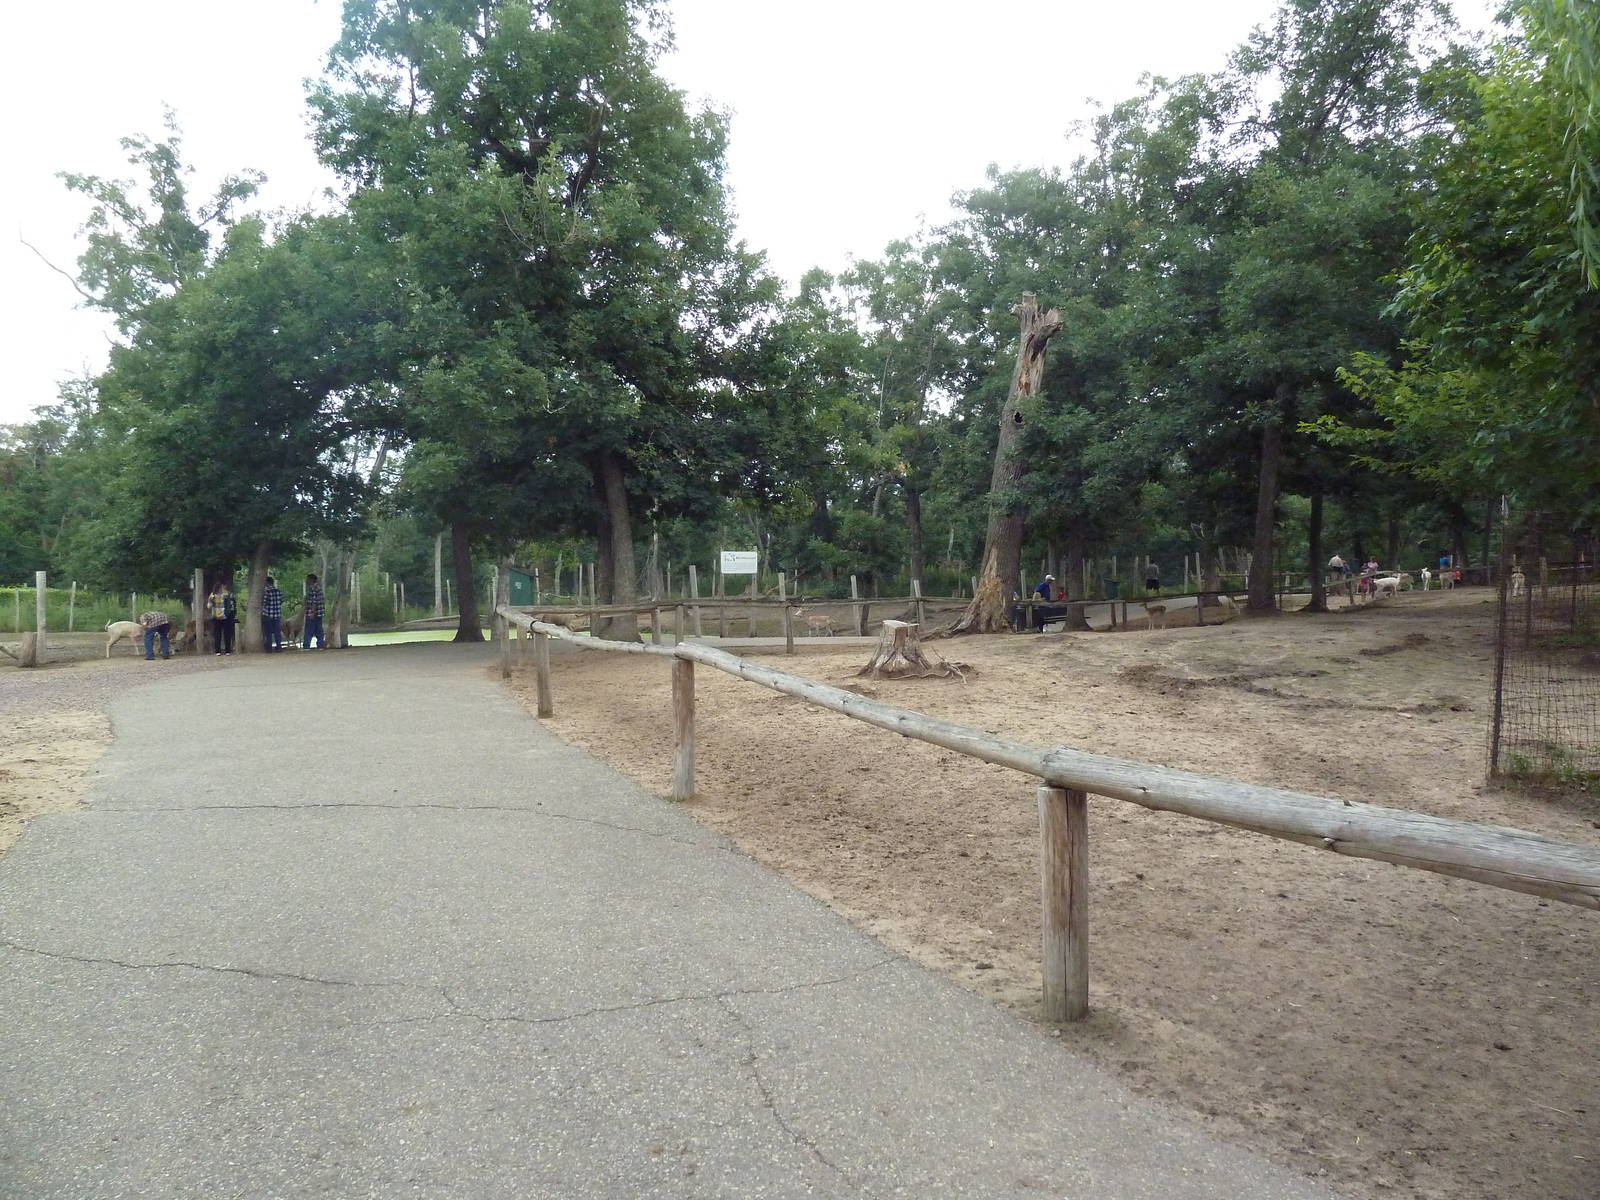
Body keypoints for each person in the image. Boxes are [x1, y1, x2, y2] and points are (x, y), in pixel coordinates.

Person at [208, 582, 237, 655]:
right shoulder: (229, 594)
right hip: (226, 616)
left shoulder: (212, 595)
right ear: (223, 586)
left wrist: (213, 603)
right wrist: (232, 614)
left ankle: (217, 651)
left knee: (217, 634)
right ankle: (227, 651)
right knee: (227, 634)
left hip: (216, 617)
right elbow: (232, 606)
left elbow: (208, 606)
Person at [261, 575, 284, 651]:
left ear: (267, 583)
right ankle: (279, 646)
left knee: (268, 632)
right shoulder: (279, 591)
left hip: (268, 614)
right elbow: (281, 601)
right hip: (277, 614)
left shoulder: (266, 591)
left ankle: (269, 648)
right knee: (277, 631)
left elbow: (264, 603)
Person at [303, 573, 326, 649]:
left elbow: (314, 602)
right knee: (319, 630)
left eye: (307, 579)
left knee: (308, 630)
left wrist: (312, 612)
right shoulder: (318, 588)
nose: (306, 581)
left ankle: (306, 646)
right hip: (319, 613)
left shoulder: (312, 589)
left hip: (313, 613)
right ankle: (320, 645)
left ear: (311, 580)